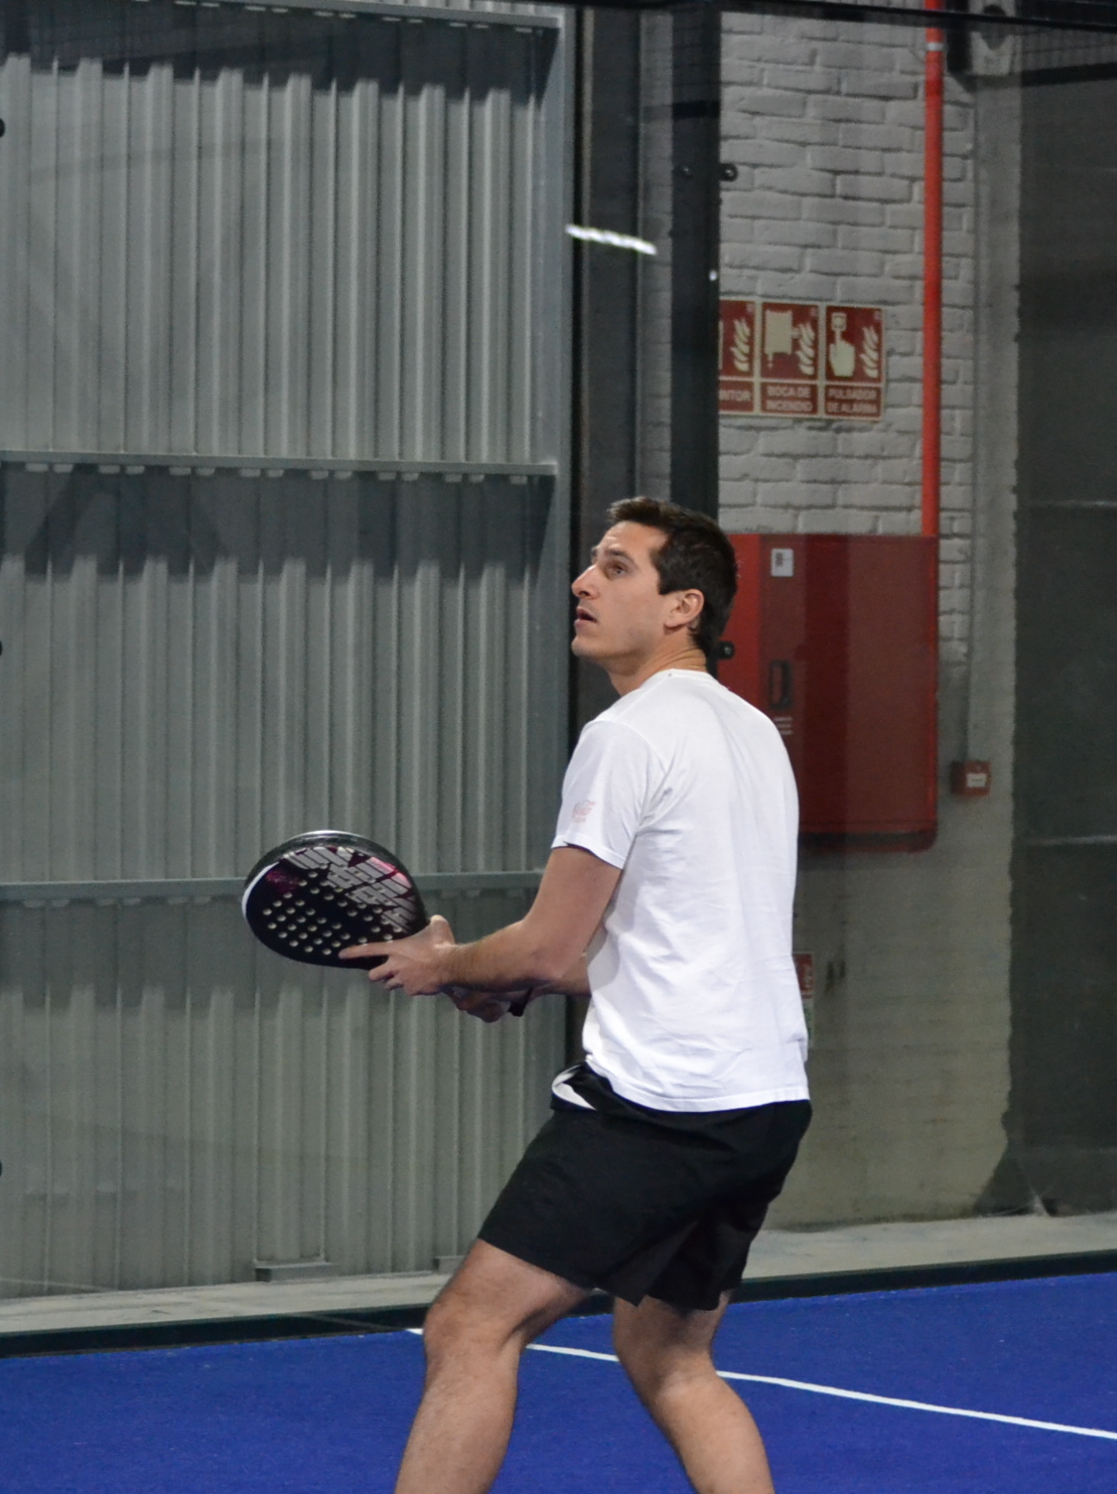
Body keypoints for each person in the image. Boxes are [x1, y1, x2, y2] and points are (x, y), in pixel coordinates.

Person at [345, 498, 809, 1494]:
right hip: (764, 1102)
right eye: (592, 564)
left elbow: (551, 942)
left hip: (661, 1106)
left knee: (470, 1326)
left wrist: (445, 964)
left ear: (683, 606)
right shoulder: (753, 732)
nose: (583, 582)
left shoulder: (627, 735)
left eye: (616, 567)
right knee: (671, 1358)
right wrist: (512, 979)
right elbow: (665, 947)